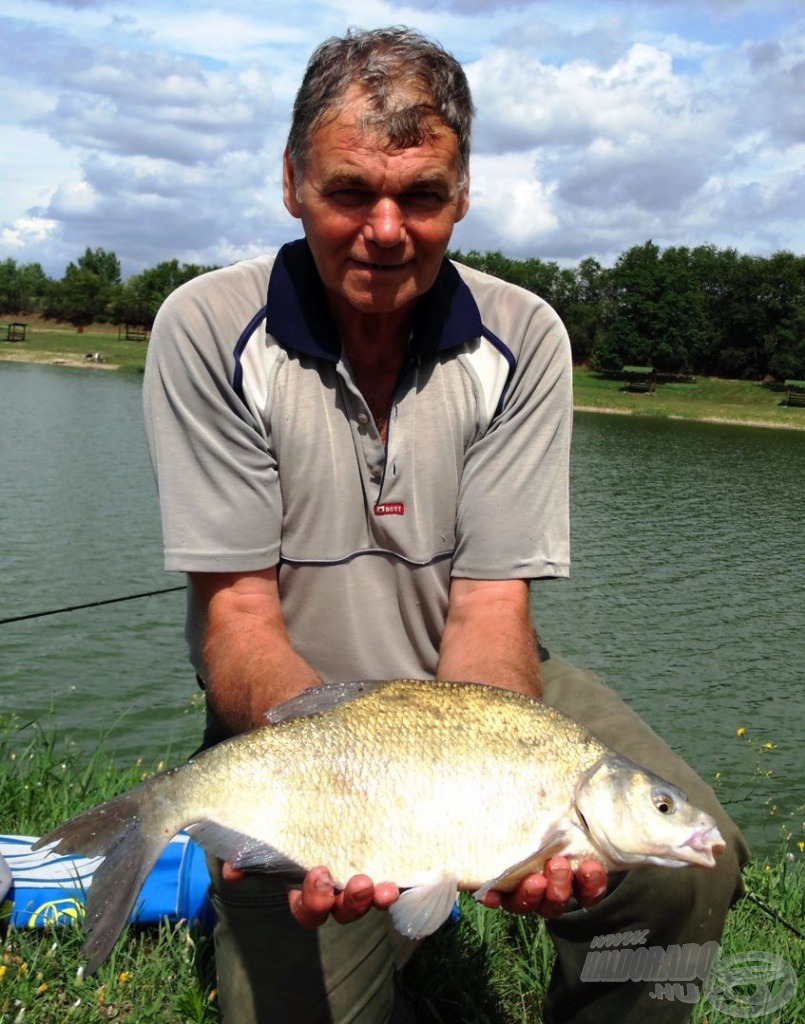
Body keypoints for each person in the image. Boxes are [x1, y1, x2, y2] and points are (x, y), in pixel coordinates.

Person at [143, 25, 748, 1024]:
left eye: (421, 196)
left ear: (460, 195)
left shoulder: (526, 340)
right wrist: (347, 781)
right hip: (297, 710)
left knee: (686, 875)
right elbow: (238, 622)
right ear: (291, 183)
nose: (387, 228)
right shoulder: (207, 330)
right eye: (349, 193)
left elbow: (487, 611)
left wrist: (498, 807)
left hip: (483, 701)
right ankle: (368, 910)